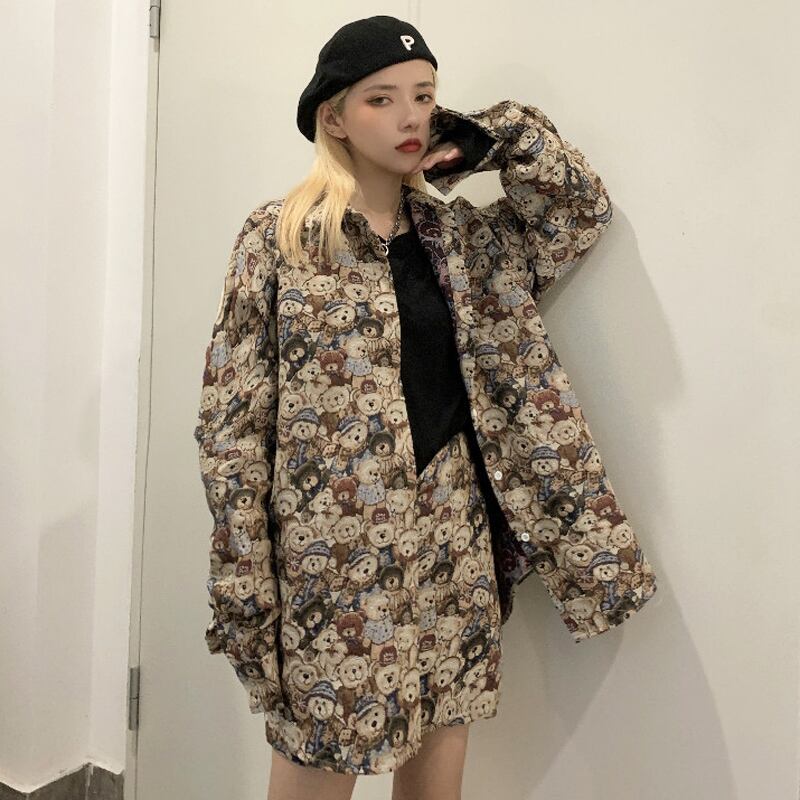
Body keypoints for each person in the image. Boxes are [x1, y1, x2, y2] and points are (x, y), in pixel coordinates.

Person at [193, 13, 658, 800]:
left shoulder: (466, 242)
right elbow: (231, 427)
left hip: (452, 535)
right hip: (330, 557)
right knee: (319, 762)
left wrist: (493, 137)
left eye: (424, 95)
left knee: (439, 774)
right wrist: (244, 578)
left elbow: (576, 213)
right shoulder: (281, 241)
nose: (410, 116)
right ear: (333, 117)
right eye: (381, 99)